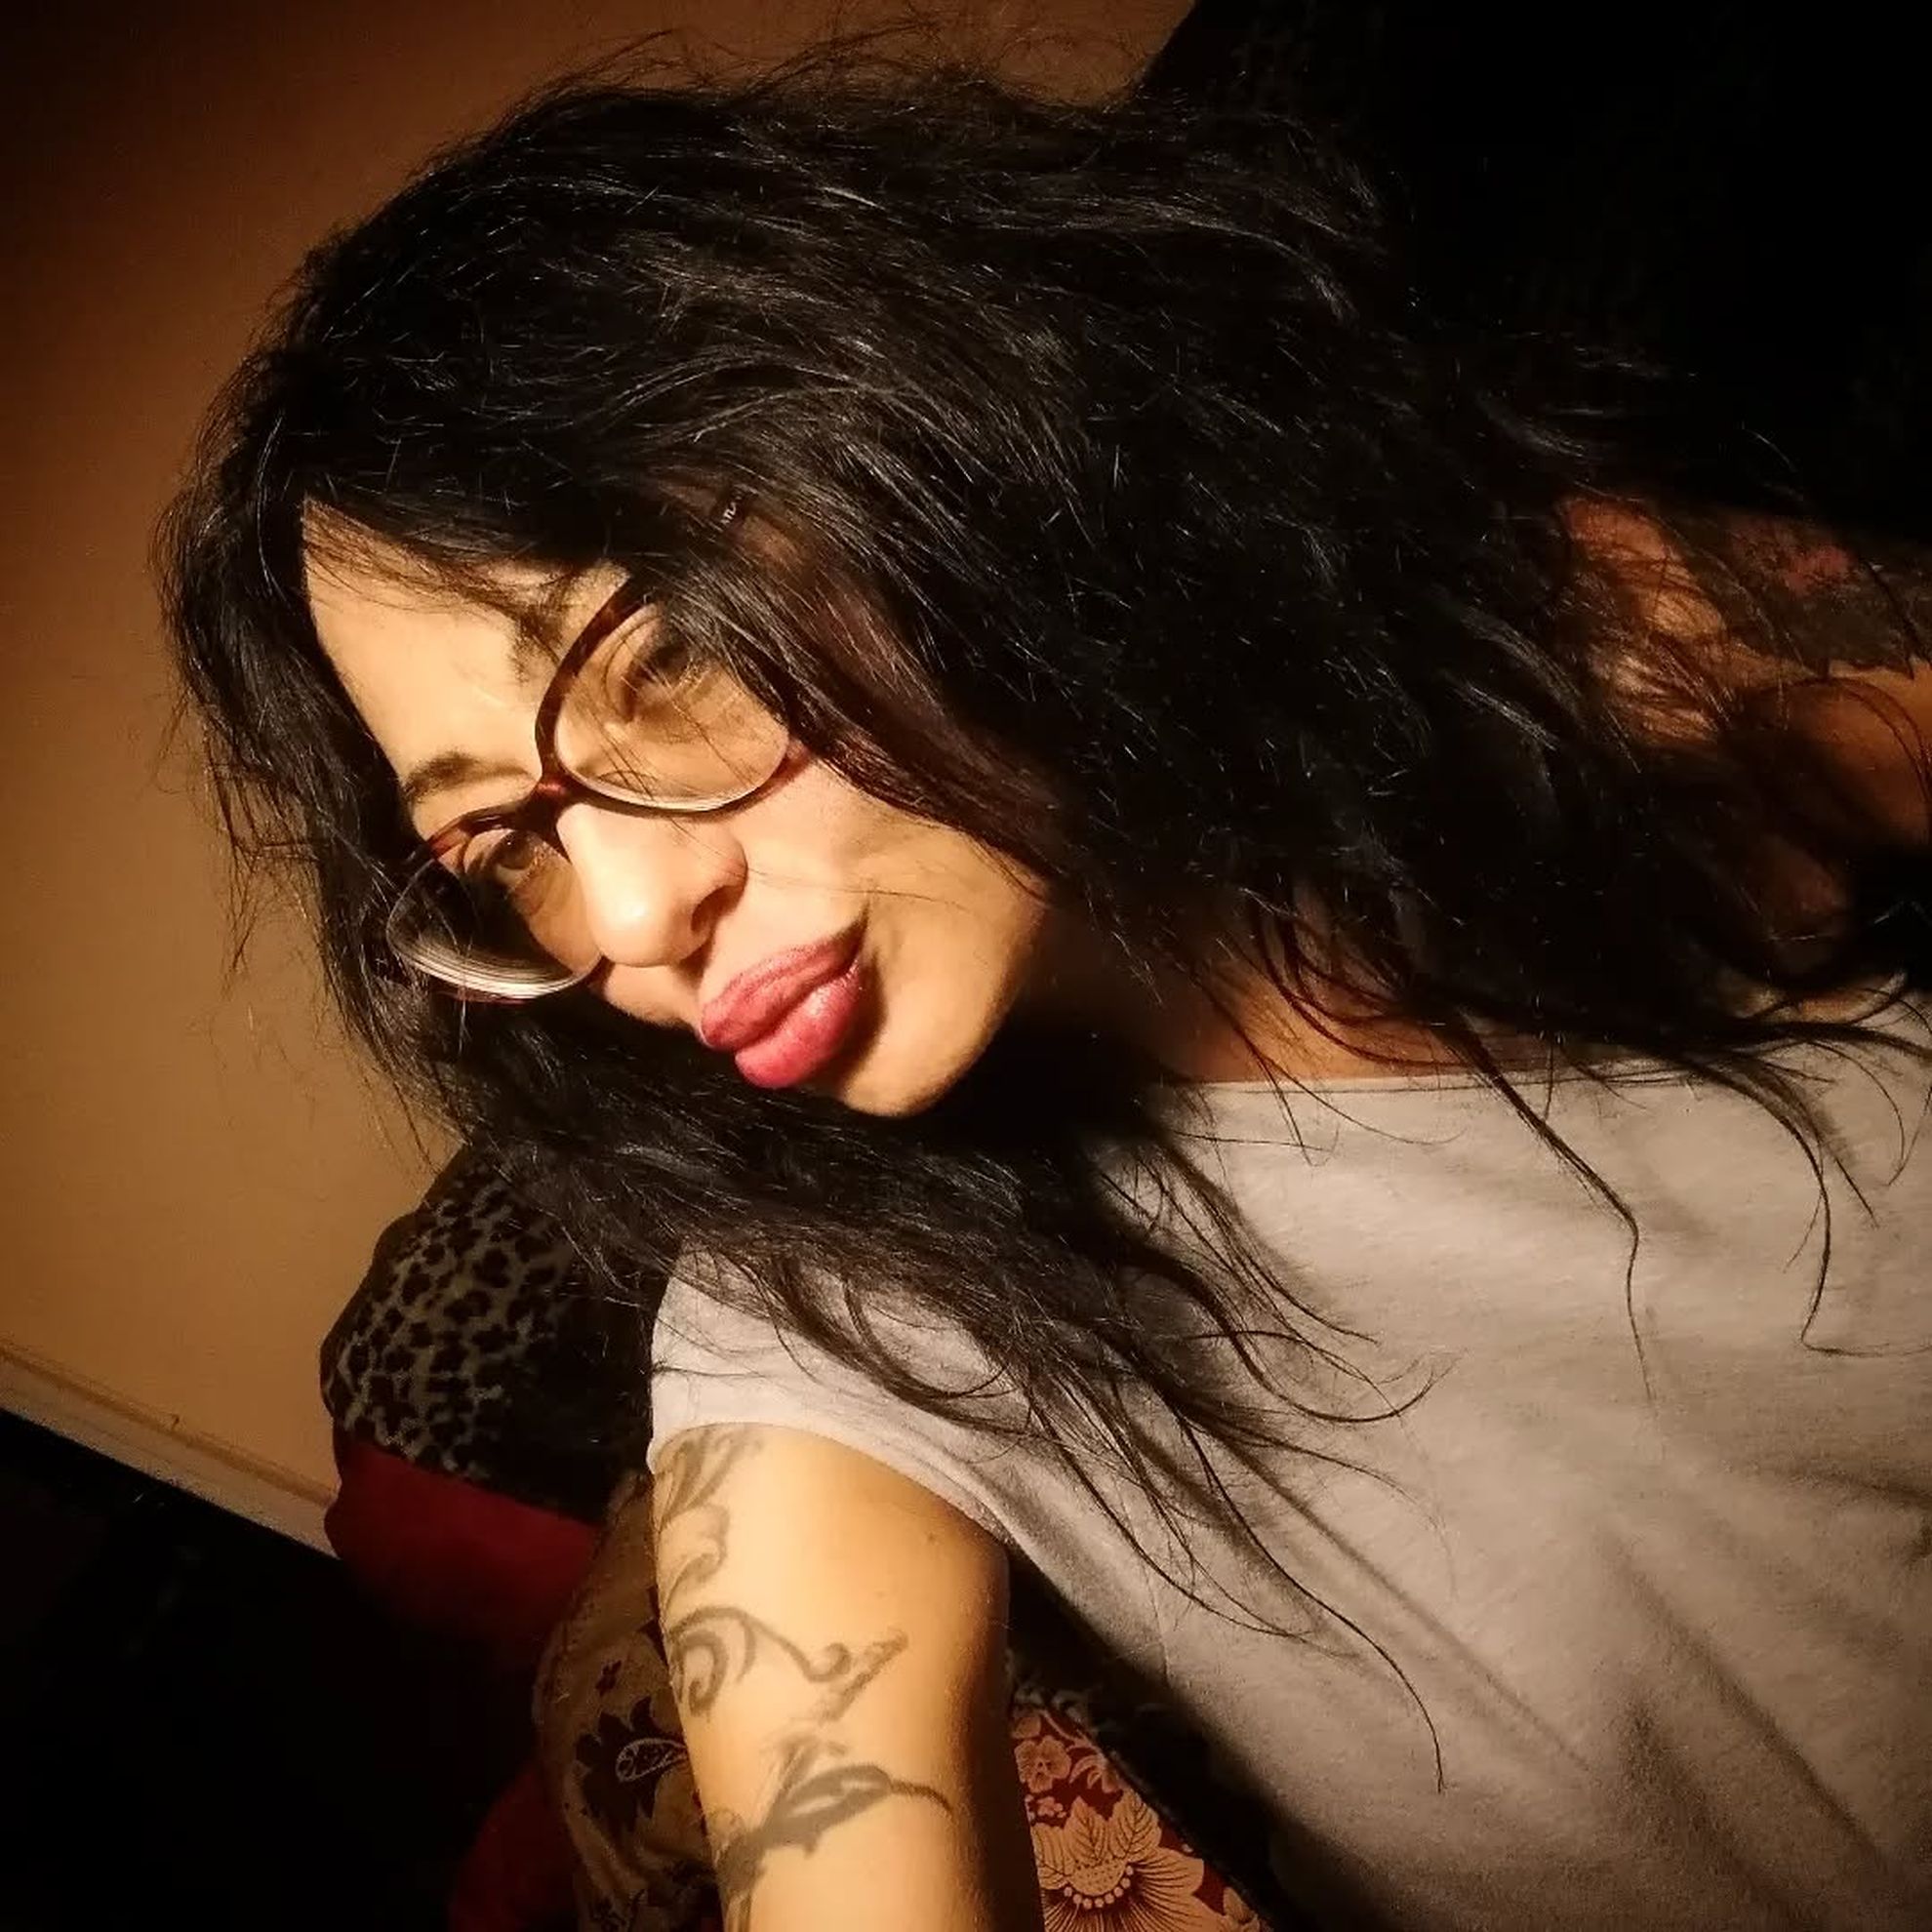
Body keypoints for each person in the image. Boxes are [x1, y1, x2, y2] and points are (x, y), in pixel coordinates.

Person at [162, 52, 1932, 1932]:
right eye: (502, 844)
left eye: (661, 662)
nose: (629, 913)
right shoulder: (839, 1328)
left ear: (933, 440)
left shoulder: (1550, 646)